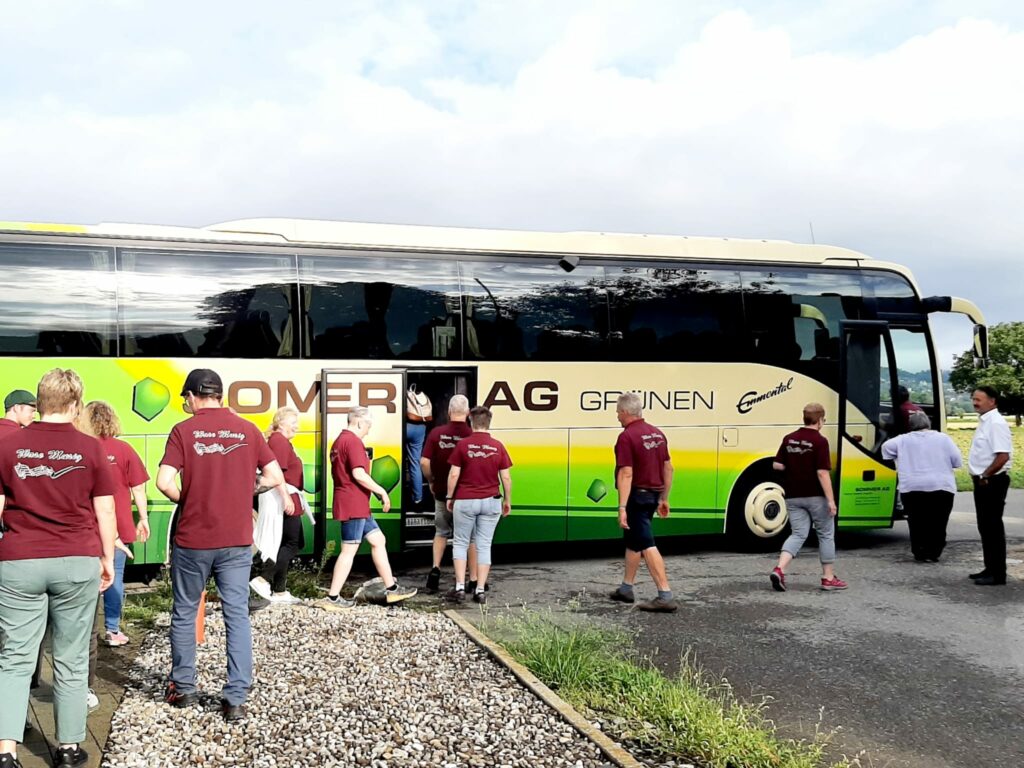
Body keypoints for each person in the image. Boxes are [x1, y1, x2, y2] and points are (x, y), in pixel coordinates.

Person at [0, 368, 116, 768]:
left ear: (39, 401)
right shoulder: (91, 448)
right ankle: (67, 749)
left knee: (14, 658)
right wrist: (105, 558)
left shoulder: (9, 446)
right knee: (70, 657)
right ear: (76, 403)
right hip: (76, 559)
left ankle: (6, 752)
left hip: (19, 561)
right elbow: (104, 508)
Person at [155, 369, 286, 722]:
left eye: (186, 398)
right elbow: (274, 477)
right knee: (236, 614)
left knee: (185, 611)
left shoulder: (184, 431)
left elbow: (163, 480)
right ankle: (235, 698)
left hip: (193, 539)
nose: (185, 403)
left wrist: (190, 498)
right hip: (236, 540)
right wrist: (247, 490)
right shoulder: (247, 429)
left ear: (195, 396)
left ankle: (182, 688)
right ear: (219, 394)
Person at [318, 407, 417, 610]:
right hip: (353, 504)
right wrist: (382, 491)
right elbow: (359, 474)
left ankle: (391, 588)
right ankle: (333, 598)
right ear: (359, 423)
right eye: (368, 426)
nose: (368, 431)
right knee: (348, 551)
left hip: (355, 503)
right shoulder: (353, 442)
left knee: (378, 540)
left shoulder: (339, 441)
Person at [78, 401, 150, 646]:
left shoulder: (82, 448)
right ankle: (111, 629)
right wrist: (143, 518)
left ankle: (82, 630)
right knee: (115, 576)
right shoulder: (124, 449)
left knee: (85, 577)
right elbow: (138, 487)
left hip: (86, 524)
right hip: (117, 524)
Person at [608, 392, 678, 612]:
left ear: (626, 412)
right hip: (653, 494)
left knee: (647, 543)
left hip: (637, 497)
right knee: (634, 540)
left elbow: (626, 473)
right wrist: (664, 497)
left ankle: (665, 594)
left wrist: (622, 507)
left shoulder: (627, 437)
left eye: (618, 412)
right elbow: (668, 467)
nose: (617, 416)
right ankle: (626, 588)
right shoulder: (657, 434)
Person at [770, 403, 846, 592]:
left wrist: (794, 469)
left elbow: (777, 466)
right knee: (826, 534)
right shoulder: (820, 441)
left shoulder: (789, 439)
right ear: (820, 420)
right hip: (816, 497)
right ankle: (828, 577)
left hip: (793, 496)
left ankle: (780, 569)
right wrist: (831, 500)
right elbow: (822, 473)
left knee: (798, 534)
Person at [445, 406, 512, 605]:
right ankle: (480, 590)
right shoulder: (498, 446)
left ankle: (459, 588)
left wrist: (450, 496)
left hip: (465, 500)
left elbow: (454, 474)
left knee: (460, 542)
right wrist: (507, 500)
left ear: (471, 422)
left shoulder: (463, 445)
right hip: (491, 501)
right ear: (488, 423)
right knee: (484, 545)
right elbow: (506, 477)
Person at [881, 410, 961, 562]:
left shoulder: (902, 440)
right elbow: (957, 460)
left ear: (910, 426)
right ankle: (934, 552)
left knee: (916, 521)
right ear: (928, 423)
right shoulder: (943, 438)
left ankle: (920, 551)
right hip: (941, 486)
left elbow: (886, 448)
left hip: (912, 487)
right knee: (939, 521)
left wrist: (896, 457)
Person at [421, 395, 479, 594]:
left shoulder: (437, 433)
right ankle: (473, 579)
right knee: (469, 538)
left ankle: (435, 570)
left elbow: (424, 462)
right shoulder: (472, 435)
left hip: (441, 494)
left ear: (448, 411)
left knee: (441, 533)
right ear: (468, 413)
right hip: (467, 496)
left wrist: (431, 480)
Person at [249, 407, 306, 604]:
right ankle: (263, 578)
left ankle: (279, 590)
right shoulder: (279, 441)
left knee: (287, 542)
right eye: (293, 423)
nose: (297, 427)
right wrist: (287, 498)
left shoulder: (279, 441)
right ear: (281, 424)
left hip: (288, 495)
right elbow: (277, 474)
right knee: (292, 542)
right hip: (283, 495)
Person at [967, 386, 1013, 586]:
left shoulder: (995, 423)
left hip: (992, 481)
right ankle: (990, 568)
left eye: (979, 399)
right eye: (973, 399)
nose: (975, 403)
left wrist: (985, 475)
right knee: (985, 526)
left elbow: (1003, 456)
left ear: (992, 401)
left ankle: (997, 574)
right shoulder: (985, 421)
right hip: (983, 480)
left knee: (992, 527)